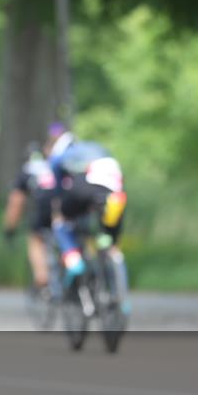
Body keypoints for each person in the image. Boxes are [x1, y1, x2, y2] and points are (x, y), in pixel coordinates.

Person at [46, 124, 130, 315]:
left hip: (84, 187)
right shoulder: (99, 149)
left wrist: (58, 205)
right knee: (110, 242)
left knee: (61, 221)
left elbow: (58, 185)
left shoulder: (64, 154)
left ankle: (73, 259)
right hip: (114, 192)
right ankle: (119, 291)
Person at [3, 144, 57, 299]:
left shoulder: (26, 171)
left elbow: (16, 202)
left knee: (35, 239)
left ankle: (42, 278)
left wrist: (9, 229)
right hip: (61, 205)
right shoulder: (51, 165)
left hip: (42, 208)